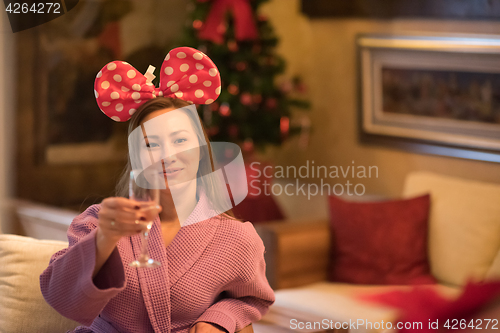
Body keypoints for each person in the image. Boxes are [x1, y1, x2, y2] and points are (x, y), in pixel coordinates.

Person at [40, 47, 275, 333]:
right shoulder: (96, 223)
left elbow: (251, 299)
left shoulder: (237, 239)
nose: (166, 155)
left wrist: (219, 318)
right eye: (151, 145)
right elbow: (61, 298)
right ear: (136, 157)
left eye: (179, 140)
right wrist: (105, 238)